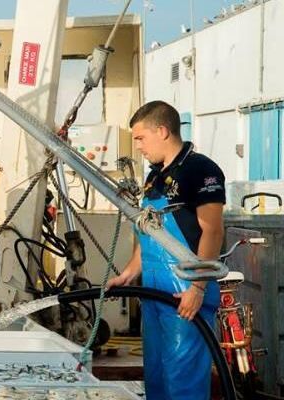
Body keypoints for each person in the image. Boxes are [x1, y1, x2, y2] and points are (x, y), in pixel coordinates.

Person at [106, 101, 225, 400]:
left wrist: (197, 288)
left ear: (162, 131)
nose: (139, 146)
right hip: (155, 293)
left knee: (181, 382)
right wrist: (130, 273)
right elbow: (149, 233)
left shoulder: (200, 170)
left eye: (141, 138)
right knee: (156, 378)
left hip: (185, 293)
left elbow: (212, 231)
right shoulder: (154, 176)